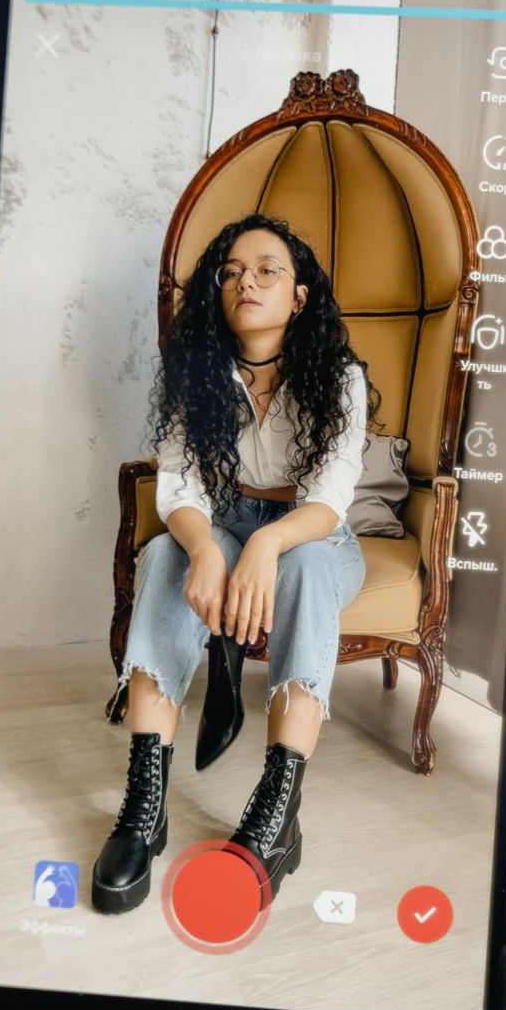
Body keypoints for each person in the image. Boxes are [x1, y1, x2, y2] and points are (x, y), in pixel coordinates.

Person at [91, 212, 374, 915]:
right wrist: (201, 547)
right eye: (231, 271)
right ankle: (144, 803)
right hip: (221, 518)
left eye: (267, 268)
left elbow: (331, 498)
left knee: (303, 567)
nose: (246, 280)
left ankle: (277, 813)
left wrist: (266, 544)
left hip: (315, 537)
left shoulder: (338, 378)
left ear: (300, 294)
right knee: (159, 553)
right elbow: (180, 484)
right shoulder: (203, 375)